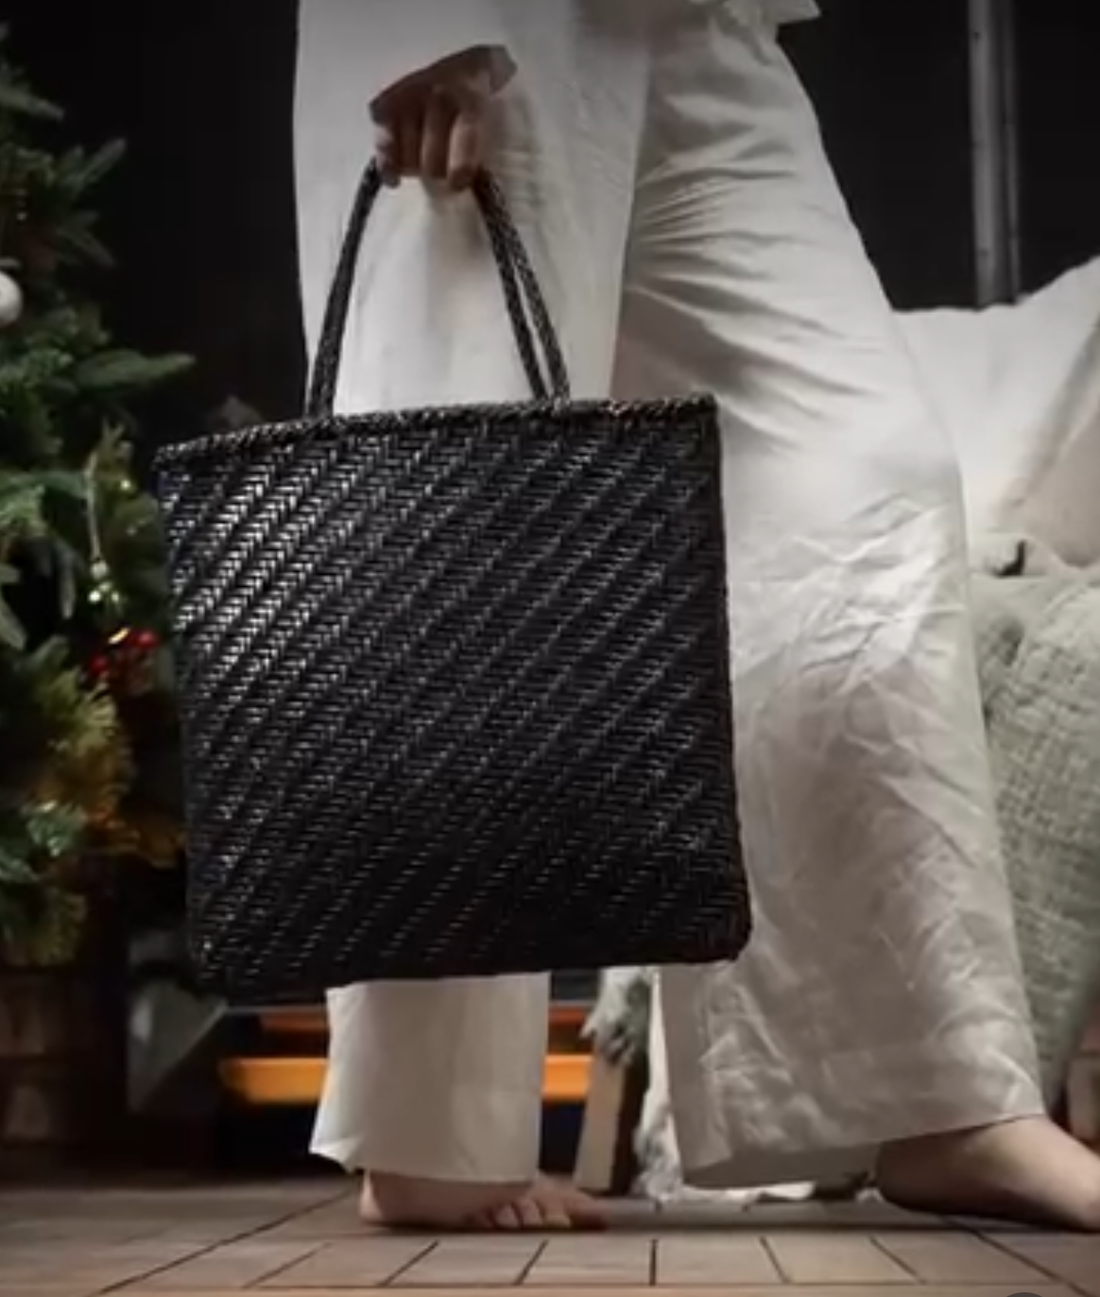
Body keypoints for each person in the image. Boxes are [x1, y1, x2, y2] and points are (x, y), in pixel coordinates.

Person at [294, 0, 1100, 1231]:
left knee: (862, 472)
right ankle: (426, 1131)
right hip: (500, 17)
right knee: (463, 539)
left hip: (698, 21)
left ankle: (934, 1091)